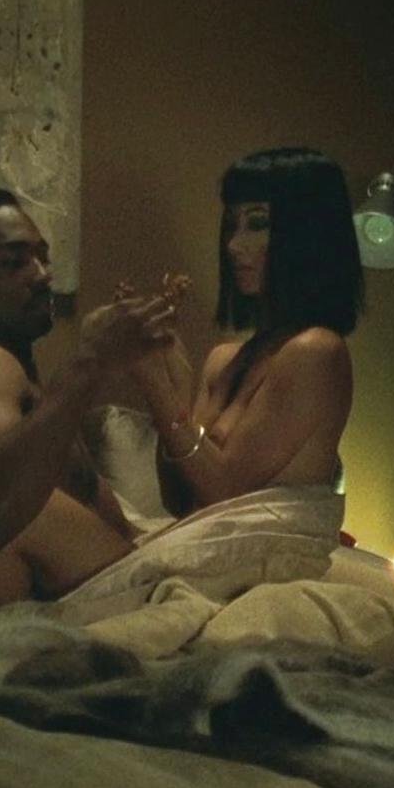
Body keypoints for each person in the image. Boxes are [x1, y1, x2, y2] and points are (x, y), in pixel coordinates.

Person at [0, 188, 175, 606]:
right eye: (14, 263)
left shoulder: (26, 394)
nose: (43, 275)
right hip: (104, 609)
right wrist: (90, 362)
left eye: (43, 257)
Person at [129, 147, 362, 515]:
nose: (234, 245)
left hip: (264, 542)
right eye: (231, 226)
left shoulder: (316, 351)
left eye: (257, 224)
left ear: (307, 234)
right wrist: (174, 383)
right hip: (203, 534)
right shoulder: (224, 361)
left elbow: (224, 492)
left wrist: (154, 385)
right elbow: (180, 500)